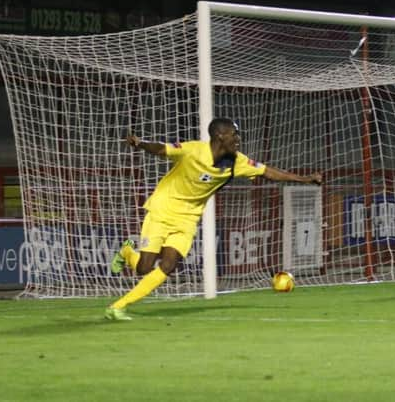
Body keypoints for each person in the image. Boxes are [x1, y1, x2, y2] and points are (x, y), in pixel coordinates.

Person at [105, 118, 323, 320]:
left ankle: (118, 306)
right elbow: (162, 149)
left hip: (188, 219)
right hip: (162, 210)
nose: (238, 140)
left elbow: (267, 172)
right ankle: (127, 252)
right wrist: (141, 143)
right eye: (234, 135)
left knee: (169, 265)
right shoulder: (193, 150)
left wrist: (304, 179)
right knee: (143, 268)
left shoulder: (236, 162)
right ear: (220, 136)